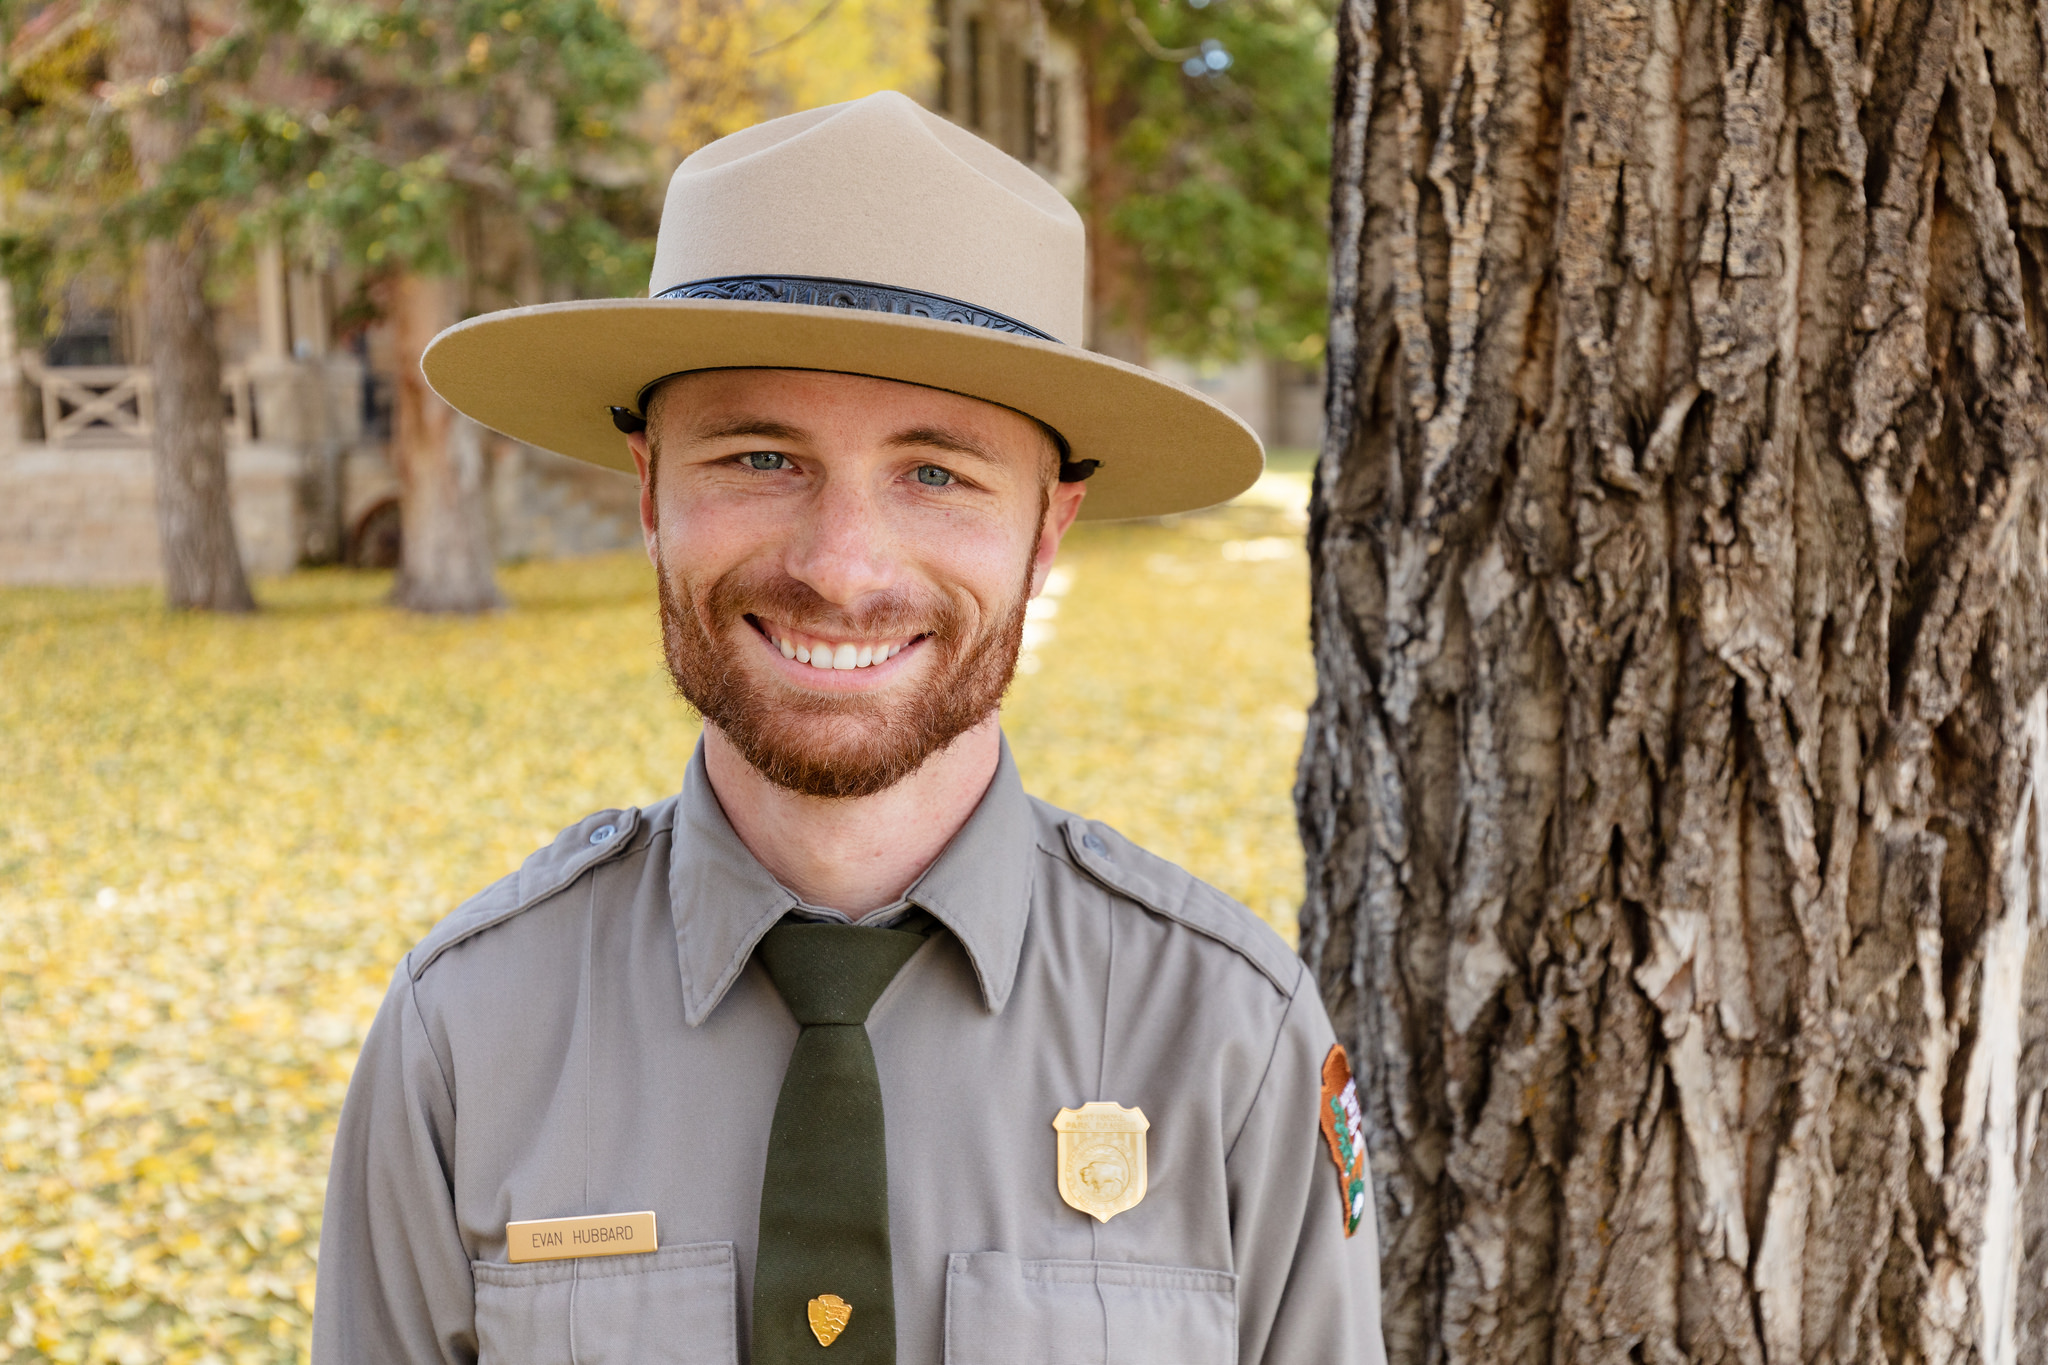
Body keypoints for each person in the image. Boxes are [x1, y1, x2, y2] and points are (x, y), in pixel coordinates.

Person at [313, 90, 1386, 1365]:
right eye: (760, 459)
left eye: (936, 474)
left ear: (1045, 530)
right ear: (651, 490)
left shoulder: (1228, 1039)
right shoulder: (468, 1034)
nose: (840, 568)